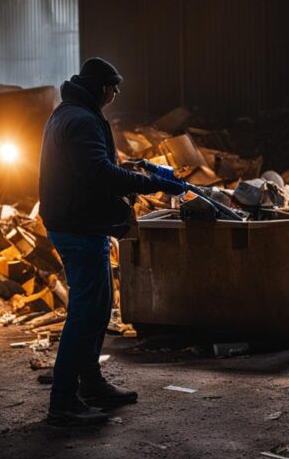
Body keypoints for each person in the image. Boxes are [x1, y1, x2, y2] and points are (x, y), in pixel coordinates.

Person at [39, 57, 186, 426]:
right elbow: (99, 173)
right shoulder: (81, 119)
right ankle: (64, 401)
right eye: (113, 87)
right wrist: (153, 184)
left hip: (84, 223)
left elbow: (97, 164)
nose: (116, 93)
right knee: (86, 313)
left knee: (99, 309)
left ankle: (90, 384)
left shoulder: (75, 113)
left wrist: (140, 168)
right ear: (102, 87)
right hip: (77, 226)